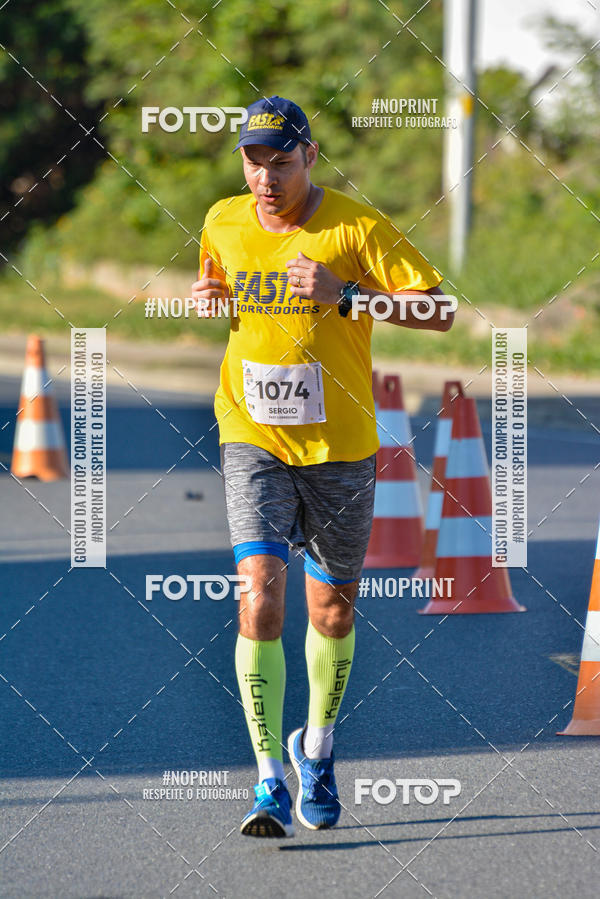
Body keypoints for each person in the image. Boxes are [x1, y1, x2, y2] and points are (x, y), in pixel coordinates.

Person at [191, 95, 454, 838]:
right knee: (260, 601)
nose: (265, 178)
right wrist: (208, 297)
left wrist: (351, 297)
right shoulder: (222, 219)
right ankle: (269, 779)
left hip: (340, 447)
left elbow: (443, 310)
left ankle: (319, 749)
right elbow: (216, 282)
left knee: (332, 609)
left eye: (280, 161)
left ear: (310, 155)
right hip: (252, 437)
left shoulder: (355, 227)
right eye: (253, 161)